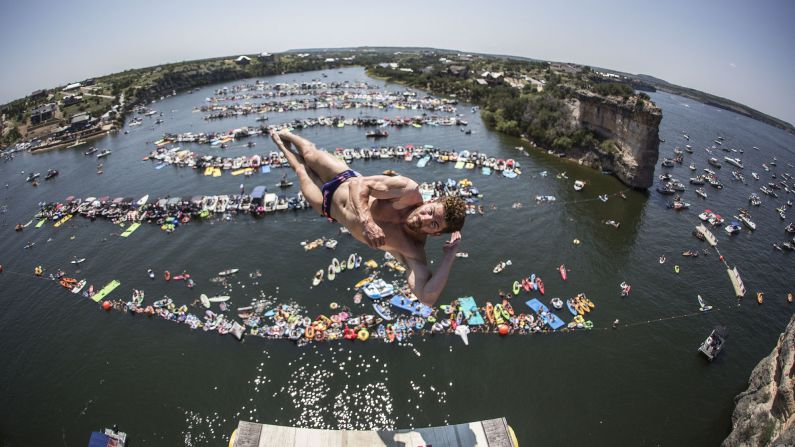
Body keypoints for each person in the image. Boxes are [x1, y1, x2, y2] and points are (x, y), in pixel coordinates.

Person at [270, 129, 465, 306]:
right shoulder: (407, 192)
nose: (424, 218)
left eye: (433, 223)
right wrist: (367, 222)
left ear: (437, 233)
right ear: (431, 201)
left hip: (327, 206)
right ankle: (286, 134)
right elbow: (358, 184)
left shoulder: (412, 250)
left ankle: (279, 143)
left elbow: (426, 298)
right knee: (309, 152)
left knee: (301, 170)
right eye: (430, 211)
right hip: (342, 177)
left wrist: (449, 256)